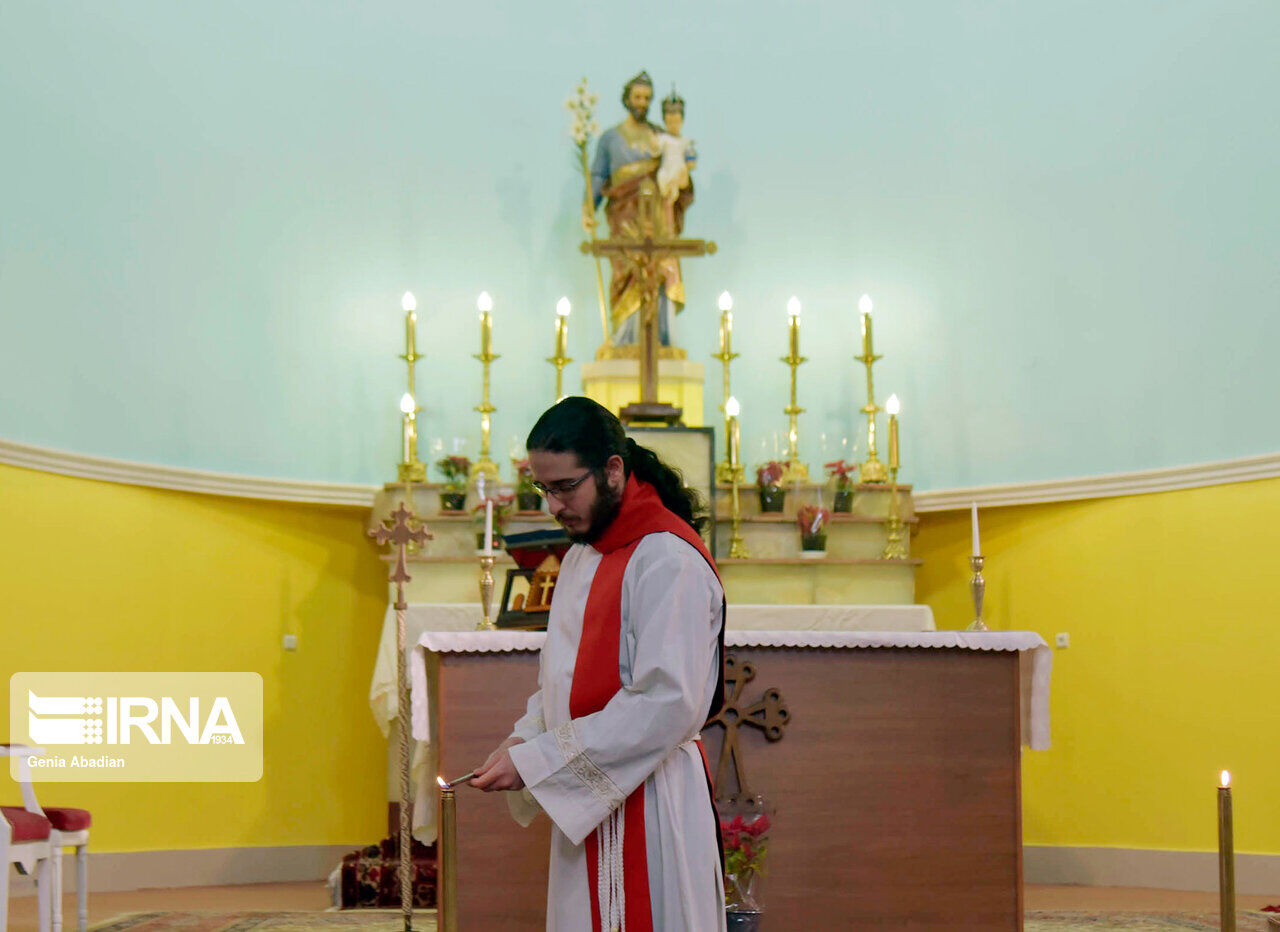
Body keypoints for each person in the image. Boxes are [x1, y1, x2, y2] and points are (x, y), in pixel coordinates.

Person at [471, 396, 727, 931]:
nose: (554, 506)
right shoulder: (585, 554)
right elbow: (560, 677)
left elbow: (668, 700)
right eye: (544, 489)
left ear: (613, 470)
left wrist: (543, 759)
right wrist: (525, 740)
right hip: (594, 804)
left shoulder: (667, 558)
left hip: (653, 802)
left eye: (566, 486)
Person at [584, 71, 695, 347]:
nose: (642, 102)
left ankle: (659, 339)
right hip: (624, 215)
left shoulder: (661, 135)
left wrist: (681, 179)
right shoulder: (611, 138)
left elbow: (676, 166)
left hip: (656, 215)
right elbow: (598, 176)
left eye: (647, 98)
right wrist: (589, 207)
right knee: (627, 269)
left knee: (658, 269)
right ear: (627, 99)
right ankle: (625, 339)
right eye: (637, 97)